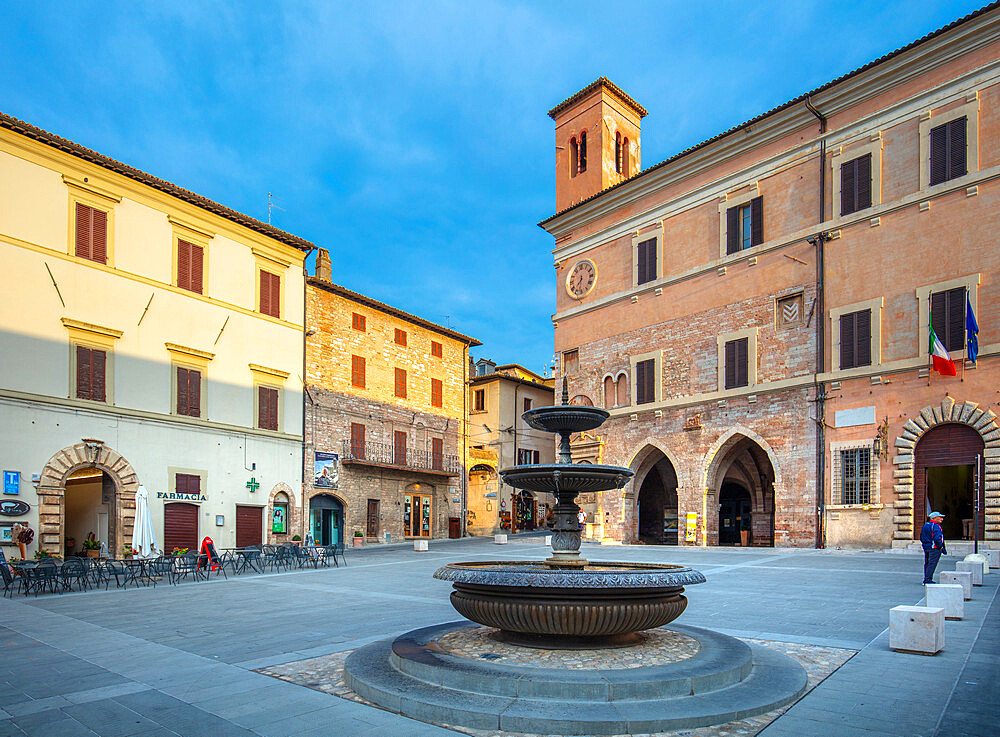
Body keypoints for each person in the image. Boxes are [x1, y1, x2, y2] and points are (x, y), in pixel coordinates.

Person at [920, 511, 947, 584]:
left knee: (927, 563)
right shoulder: (935, 526)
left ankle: (926, 578)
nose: (942, 519)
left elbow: (922, 536)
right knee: (932, 563)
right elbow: (937, 538)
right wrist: (940, 547)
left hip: (927, 547)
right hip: (934, 548)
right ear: (934, 518)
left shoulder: (926, 525)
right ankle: (928, 579)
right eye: (940, 517)